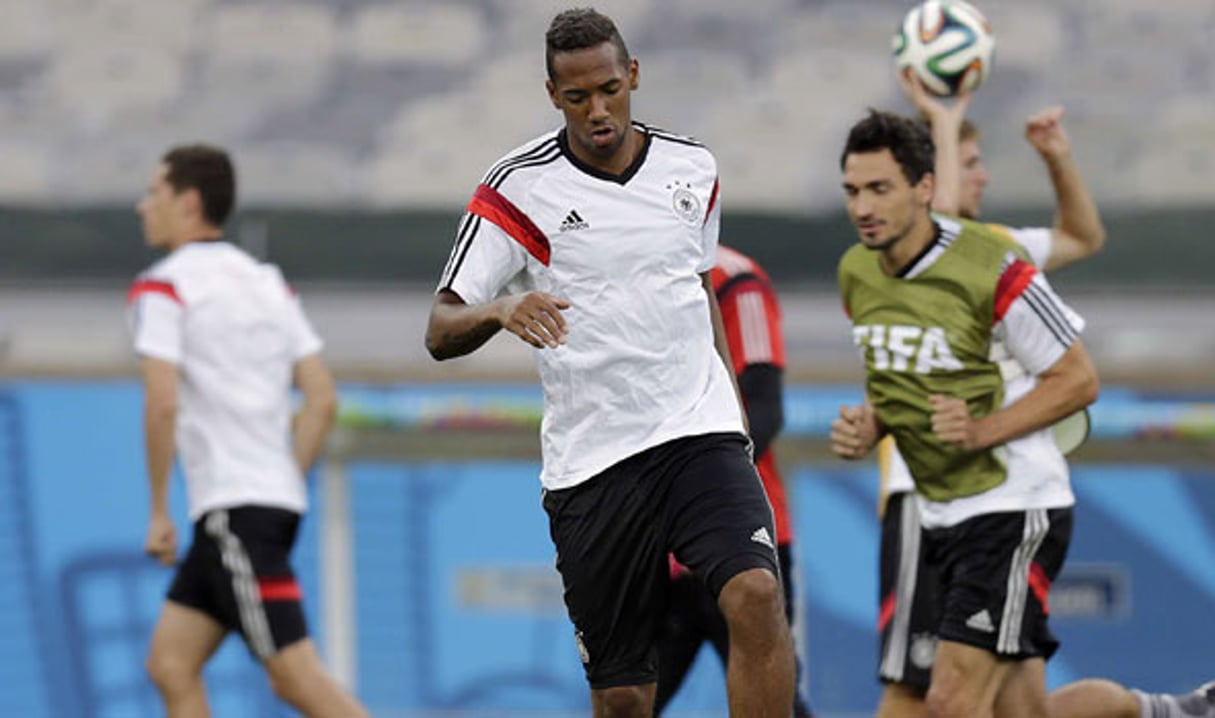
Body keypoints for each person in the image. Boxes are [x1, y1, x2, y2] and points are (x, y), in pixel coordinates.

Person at [424, 9, 794, 717]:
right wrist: (499, 310)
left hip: (697, 435)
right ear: (551, 94)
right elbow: (439, 328)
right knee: (624, 697)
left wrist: (735, 422)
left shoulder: (693, 168)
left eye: (608, 90)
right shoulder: (514, 189)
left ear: (632, 76)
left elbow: (695, 283)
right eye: (576, 97)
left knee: (756, 595)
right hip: (594, 461)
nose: (597, 110)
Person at [870, 75, 1215, 718]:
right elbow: (936, 228)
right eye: (967, 164)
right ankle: (1170, 711)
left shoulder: (996, 250)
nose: (979, 177)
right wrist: (942, 124)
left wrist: (1055, 156)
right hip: (937, 500)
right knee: (1020, 711)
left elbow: (1083, 238)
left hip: (969, 503)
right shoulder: (896, 257)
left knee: (918, 701)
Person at [832, 109, 1100, 718]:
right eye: (852, 191)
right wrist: (871, 425)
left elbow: (1079, 379)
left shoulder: (994, 264)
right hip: (936, 512)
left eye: (880, 189)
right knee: (1022, 710)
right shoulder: (857, 272)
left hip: (1014, 508)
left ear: (925, 188)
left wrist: (983, 430)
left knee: (946, 700)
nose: (863, 207)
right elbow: (900, 382)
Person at [129, 144, 368, 718]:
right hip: (261, 505)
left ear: (187, 202)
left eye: (154, 193)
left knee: (295, 680)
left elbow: (161, 404)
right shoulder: (266, 281)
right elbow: (321, 400)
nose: (142, 207)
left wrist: (160, 512)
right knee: (170, 663)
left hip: (233, 510)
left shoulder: (162, 287)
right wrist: (284, 477)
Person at [654, 245, 813, 718]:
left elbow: (765, 408)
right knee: (623, 699)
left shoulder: (735, 279)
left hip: (742, 539)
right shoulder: (614, 267)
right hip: (652, 549)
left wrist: (692, 499)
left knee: (776, 705)